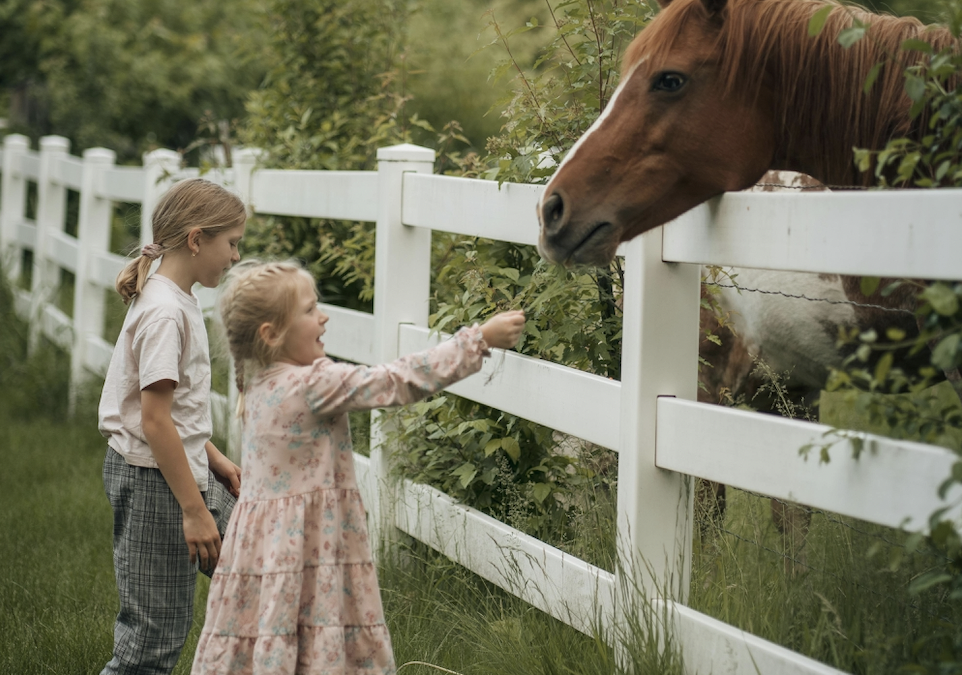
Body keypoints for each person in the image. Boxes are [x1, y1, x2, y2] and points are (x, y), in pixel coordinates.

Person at [190, 260, 526, 674]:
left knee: (272, 628)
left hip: (266, 547)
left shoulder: (257, 382)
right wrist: (478, 340)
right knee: (321, 631)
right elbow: (395, 380)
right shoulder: (312, 384)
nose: (324, 316)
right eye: (311, 310)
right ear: (271, 333)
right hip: (313, 544)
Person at [98, 177, 248, 675]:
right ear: (196, 238)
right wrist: (194, 510)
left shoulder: (177, 298)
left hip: (179, 470)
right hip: (154, 484)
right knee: (151, 643)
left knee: (256, 569)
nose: (233, 257)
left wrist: (214, 455)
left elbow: (175, 414)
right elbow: (154, 419)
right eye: (231, 244)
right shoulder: (165, 311)